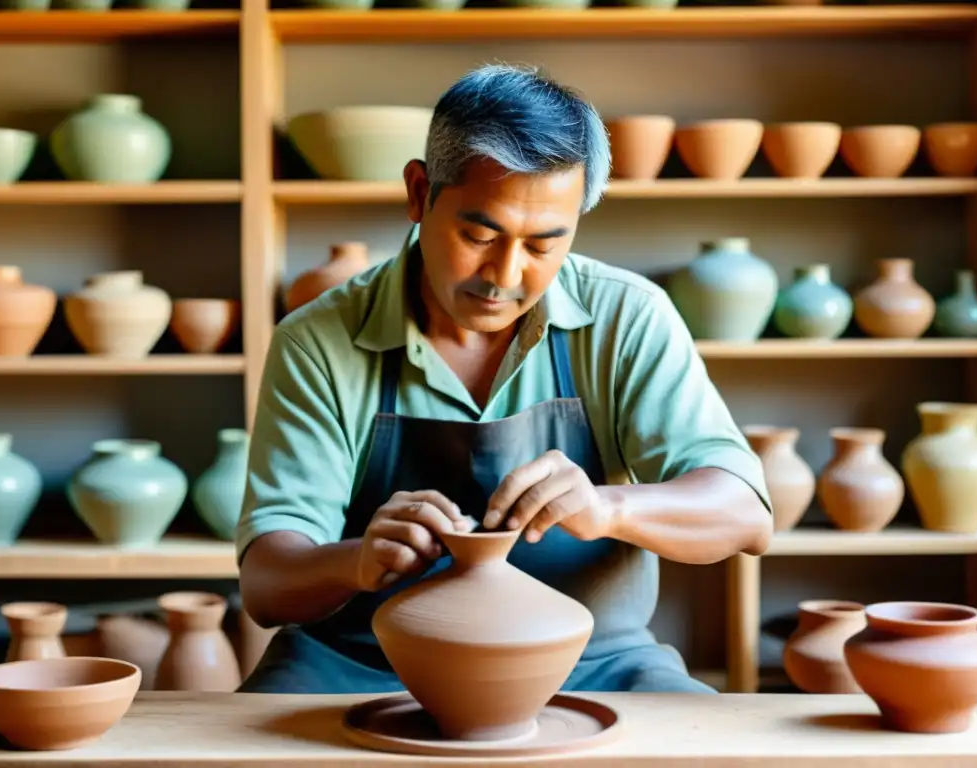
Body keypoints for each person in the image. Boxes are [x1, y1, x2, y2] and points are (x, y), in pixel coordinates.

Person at [235, 63, 773, 696]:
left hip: (590, 660)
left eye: (544, 245)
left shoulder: (628, 315)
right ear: (418, 193)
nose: (504, 275)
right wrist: (356, 560)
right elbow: (267, 585)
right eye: (478, 233)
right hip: (362, 660)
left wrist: (607, 507)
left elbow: (745, 514)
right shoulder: (318, 340)